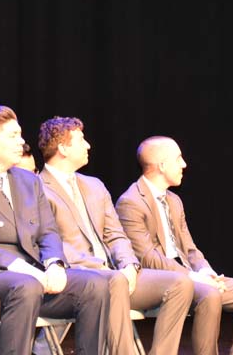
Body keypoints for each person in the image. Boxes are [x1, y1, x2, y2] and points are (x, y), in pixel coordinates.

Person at [0, 106, 113, 355]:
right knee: (25, 286)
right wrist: (25, 270)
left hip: (35, 275)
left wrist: (54, 264)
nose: (21, 141)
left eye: (19, 134)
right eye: (12, 135)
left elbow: (48, 231)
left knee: (94, 284)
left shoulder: (28, 180)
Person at [39, 117, 192, 355]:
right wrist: (109, 272)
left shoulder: (95, 185)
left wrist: (129, 265)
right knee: (115, 282)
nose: (88, 145)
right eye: (81, 140)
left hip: (117, 273)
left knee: (180, 284)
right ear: (62, 148)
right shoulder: (38, 188)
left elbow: (116, 235)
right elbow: (49, 243)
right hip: (79, 276)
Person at [116, 137, 233, 355]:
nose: (184, 164)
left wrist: (206, 271)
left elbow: (190, 249)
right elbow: (148, 259)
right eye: (178, 158)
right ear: (161, 165)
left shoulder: (174, 201)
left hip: (192, 276)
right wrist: (194, 277)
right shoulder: (130, 202)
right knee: (210, 293)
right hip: (162, 281)